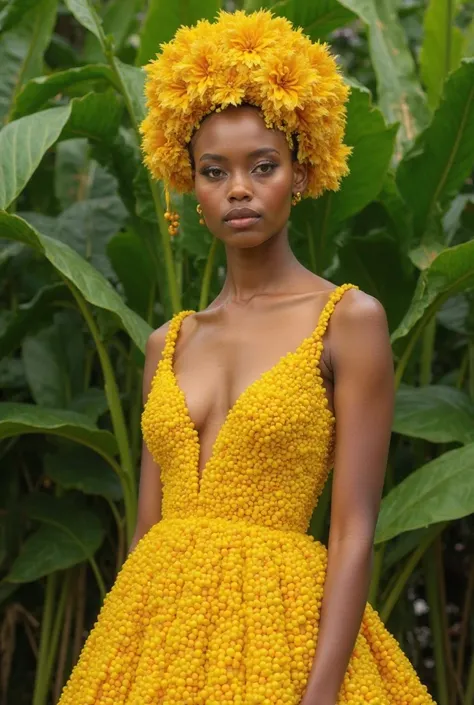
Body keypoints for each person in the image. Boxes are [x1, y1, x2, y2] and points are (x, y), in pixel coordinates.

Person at [58, 10, 435, 705]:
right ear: (191, 187)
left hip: (283, 635)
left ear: (298, 172)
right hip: (153, 636)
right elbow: (147, 528)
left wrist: (319, 694)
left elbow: (354, 528)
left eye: (262, 166)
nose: (238, 188)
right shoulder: (164, 343)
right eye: (213, 171)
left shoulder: (348, 321)